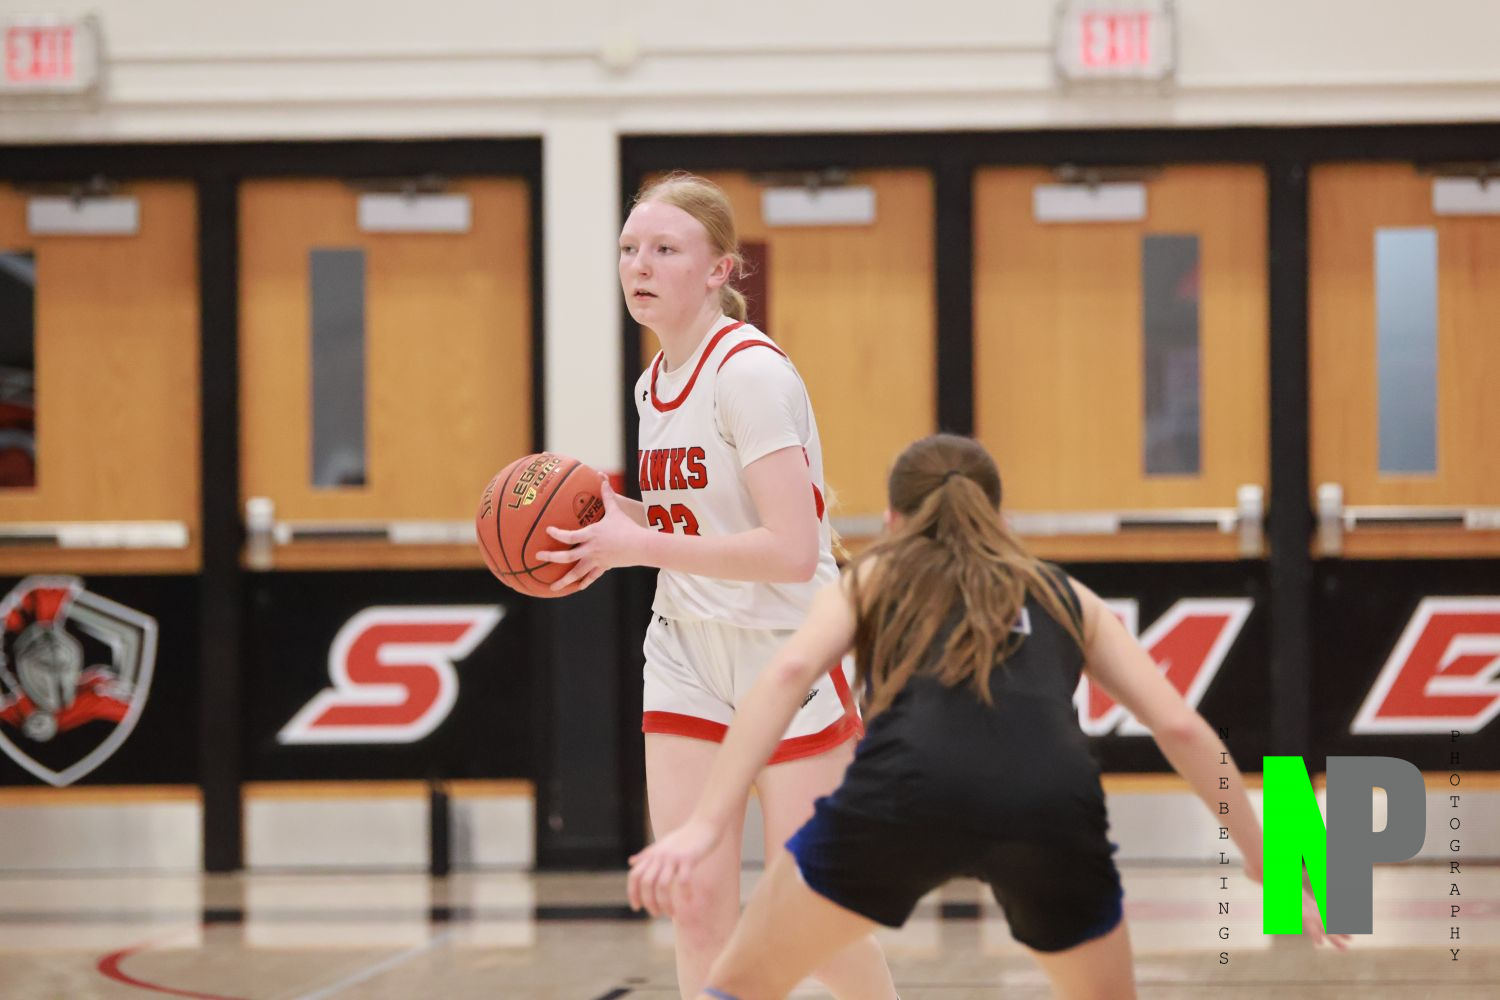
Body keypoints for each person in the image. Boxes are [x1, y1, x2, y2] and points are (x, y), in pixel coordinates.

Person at [626, 433, 1348, 1000]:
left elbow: (786, 675)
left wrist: (709, 824)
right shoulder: (1062, 593)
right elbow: (1182, 728)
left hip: (902, 796)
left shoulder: (875, 575)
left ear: (892, 522)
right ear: (1000, 520)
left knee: (735, 989)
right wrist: (1267, 863)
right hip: (1048, 805)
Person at [538, 173, 896, 999]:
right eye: (629, 248)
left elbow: (789, 548)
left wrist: (638, 542)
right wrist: (608, 518)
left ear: (719, 270)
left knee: (811, 914)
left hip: (785, 649)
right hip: (686, 651)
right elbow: (694, 520)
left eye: (665, 249)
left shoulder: (750, 376)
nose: (640, 265)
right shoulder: (653, 382)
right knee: (693, 900)